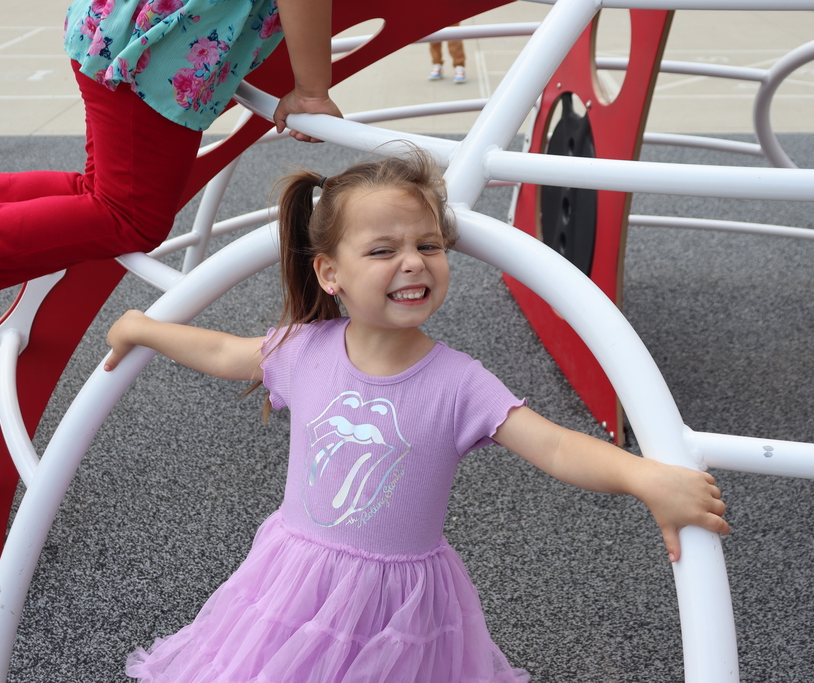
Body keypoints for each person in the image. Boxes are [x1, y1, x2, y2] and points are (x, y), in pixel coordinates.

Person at [103, 149, 729, 682]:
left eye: (429, 244)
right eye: (383, 249)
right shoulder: (303, 350)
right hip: (296, 576)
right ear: (330, 274)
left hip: (400, 602)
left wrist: (644, 477)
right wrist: (144, 328)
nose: (413, 261)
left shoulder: (459, 382)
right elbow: (221, 350)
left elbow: (558, 447)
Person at [0, 0, 341, 382]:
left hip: (124, 23)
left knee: (97, 192)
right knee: (130, 216)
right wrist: (312, 89)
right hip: (163, 46)